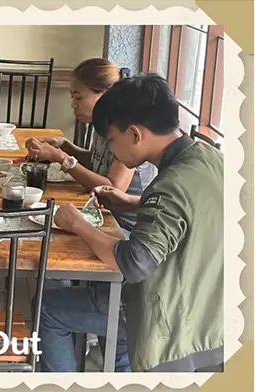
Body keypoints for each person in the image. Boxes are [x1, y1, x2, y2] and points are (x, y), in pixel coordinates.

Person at [39, 74, 223, 372]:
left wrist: (78, 224)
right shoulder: (209, 157)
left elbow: (135, 262)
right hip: (217, 311)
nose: (111, 149)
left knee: (47, 307)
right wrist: (132, 202)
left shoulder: (170, 185)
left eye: (111, 139)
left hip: (173, 321)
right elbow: (193, 211)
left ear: (135, 134)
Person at [25, 58, 157, 237]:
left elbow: (113, 188)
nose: (73, 104)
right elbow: (97, 162)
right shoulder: (103, 123)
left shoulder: (127, 130)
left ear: (105, 95)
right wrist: (65, 146)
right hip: (102, 214)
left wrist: (63, 158)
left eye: (78, 97)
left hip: (127, 228)